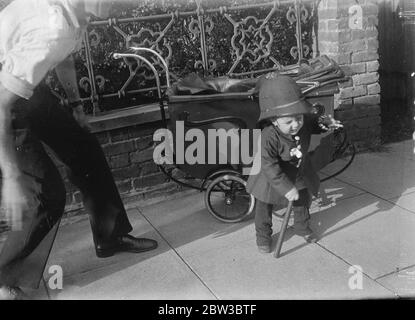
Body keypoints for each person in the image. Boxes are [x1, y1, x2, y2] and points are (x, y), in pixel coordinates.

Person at [0, 0, 158, 300]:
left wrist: (75, 105)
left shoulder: (74, 13)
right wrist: (10, 178)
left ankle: (110, 236)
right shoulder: (52, 27)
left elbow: (62, 57)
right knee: (47, 195)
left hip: (23, 87)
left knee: (84, 148)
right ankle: (4, 276)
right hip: (4, 96)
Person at [246, 74, 343, 254]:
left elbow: (315, 124)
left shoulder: (302, 123)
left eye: (298, 118)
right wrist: (285, 187)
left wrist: (326, 123)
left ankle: (302, 226)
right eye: (288, 122)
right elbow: (269, 166)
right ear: (274, 120)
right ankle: (263, 236)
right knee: (264, 205)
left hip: (296, 170)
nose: (295, 124)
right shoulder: (269, 136)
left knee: (302, 198)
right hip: (270, 176)